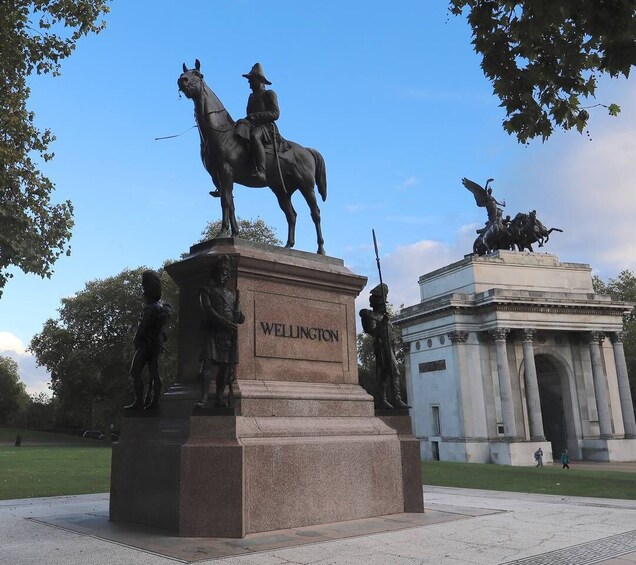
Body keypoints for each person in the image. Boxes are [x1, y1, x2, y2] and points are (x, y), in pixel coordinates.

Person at [197, 255, 245, 408]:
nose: (223, 274)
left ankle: (219, 397)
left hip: (228, 334)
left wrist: (239, 317)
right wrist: (224, 322)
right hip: (213, 331)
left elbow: (238, 314)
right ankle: (204, 398)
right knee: (207, 365)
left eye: (226, 271)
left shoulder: (234, 294)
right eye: (221, 270)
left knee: (225, 369)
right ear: (215, 272)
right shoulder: (206, 290)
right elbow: (208, 310)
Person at [125, 270, 171, 411]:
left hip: (146, 344)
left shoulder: (150, 309)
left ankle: (140, 402)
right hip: (154, 344)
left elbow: (141, 330)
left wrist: (136, 342)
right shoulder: (158, 307)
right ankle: (152, 401)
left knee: (136, 371)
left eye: (144, 287)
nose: (143, 291)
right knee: (153, 372)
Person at [359, 283, 410, 410]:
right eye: (382, 303)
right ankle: (394, 400)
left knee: (386, 373)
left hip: (391, 346)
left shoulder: (385, 317)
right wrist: (382, 324)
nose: (384, 305)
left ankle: (384, 400)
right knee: (392, 372)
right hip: (382, 347)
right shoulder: (371, 316)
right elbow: (373, 332)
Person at [235, 62, 280, 183]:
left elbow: (275, 114)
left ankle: (261, 170)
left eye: (251, 80)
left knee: (255, 136)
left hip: (266, 127)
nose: (249, 83)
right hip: (253, 125)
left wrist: (255, 116)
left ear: (259, 80)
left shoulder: (269, 94)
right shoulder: (251, 97)